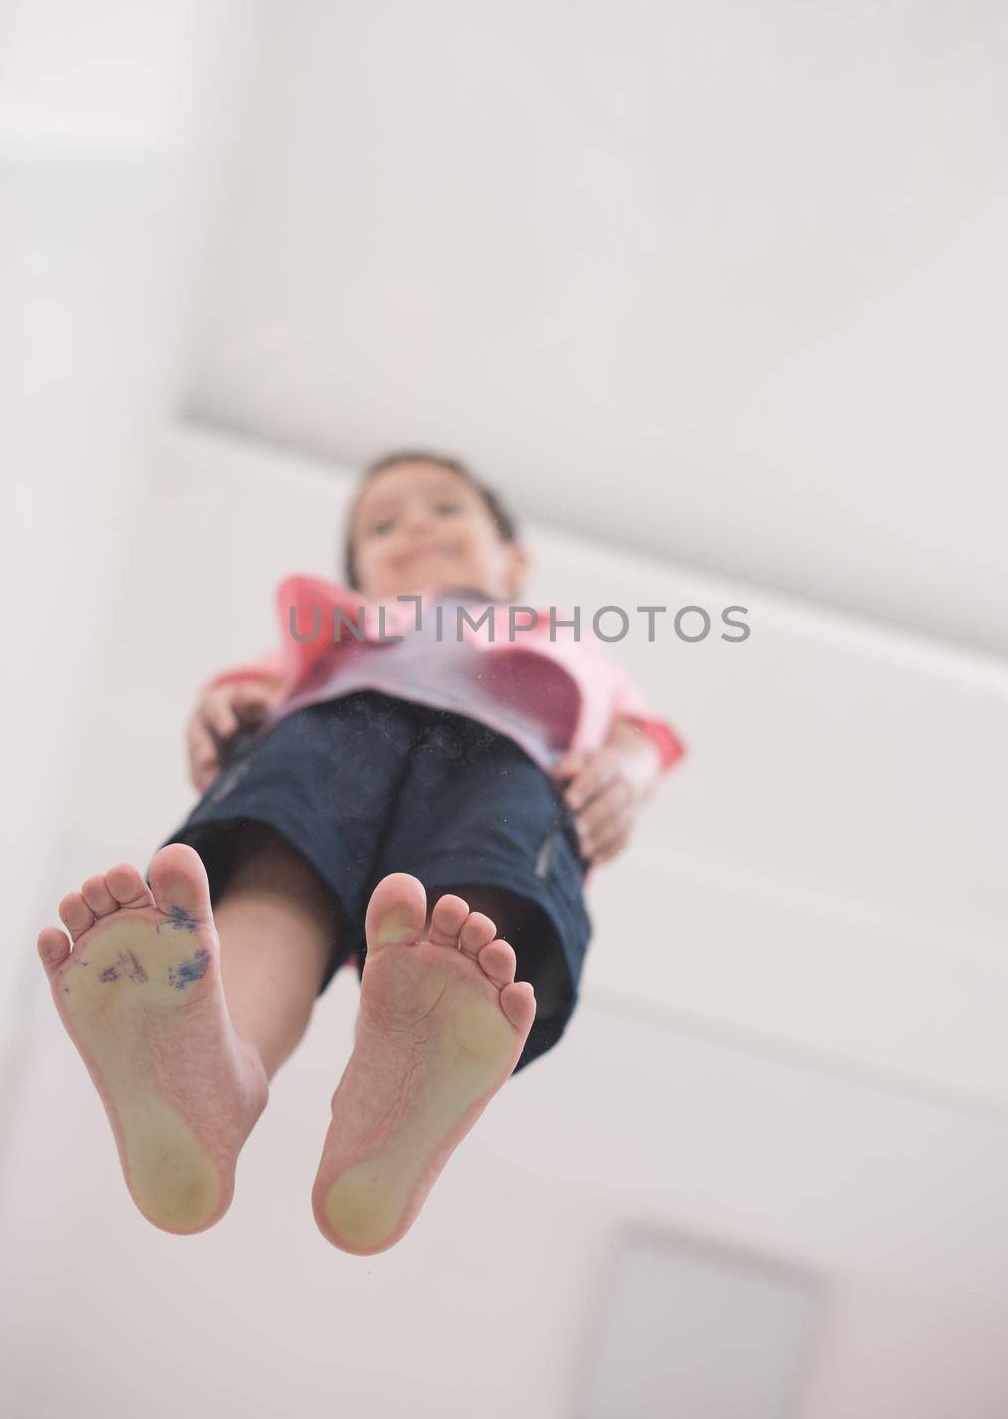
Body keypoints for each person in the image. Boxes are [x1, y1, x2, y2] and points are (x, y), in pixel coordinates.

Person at [36, 451, 686, 1254]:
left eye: (444, 509)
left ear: (514, 563)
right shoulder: (334, 634)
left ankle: (412, 1067)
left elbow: (641, 735)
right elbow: (255, 685)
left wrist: (626, 769)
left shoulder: (567, 644)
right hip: (338, 725)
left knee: (467, 913)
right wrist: (226, 702)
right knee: (281, 876)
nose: (413, 525)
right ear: (362, 579)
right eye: (381, 526)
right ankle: (216, 1068)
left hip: (512, 748)